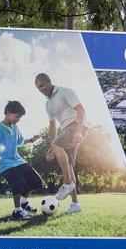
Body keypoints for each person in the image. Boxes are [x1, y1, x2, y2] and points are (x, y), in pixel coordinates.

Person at [34, 73, 85, 215]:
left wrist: (78, 131)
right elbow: (52, 127)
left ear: (49, 82)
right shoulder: (48, 104)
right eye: (38, 88)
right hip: (65, 131)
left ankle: (67, 184)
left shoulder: (65, 92)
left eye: (42, 86)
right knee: (68, 167)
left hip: (76, 126)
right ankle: (75, 204)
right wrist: (52, 148)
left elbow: (81, 110)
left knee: (59, 148)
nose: (41, 89)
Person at [0, 101, 43, 219]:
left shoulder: (15, 127)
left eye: (20, 117)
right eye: (17, 116)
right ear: (8, 113)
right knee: (18, 182)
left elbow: (20, 141)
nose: (18, 119)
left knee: (36, 181)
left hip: (17, 160)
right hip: (5, 163)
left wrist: (31, 140)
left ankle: (24, 202)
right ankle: (17, 211)